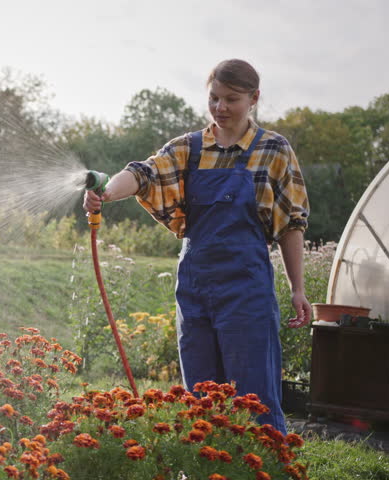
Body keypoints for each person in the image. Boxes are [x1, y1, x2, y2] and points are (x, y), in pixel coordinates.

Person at [83, 59, 311, 434]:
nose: (220, 108)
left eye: (231, 100)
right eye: (214, 98)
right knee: (201, 397)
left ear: (253, 98)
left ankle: (263, 470)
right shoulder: (189, 148)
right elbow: (144, 173)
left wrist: (297, 288)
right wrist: (106, 193)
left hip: (247, 290)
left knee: (254, 398)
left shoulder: (274, 150)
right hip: (196, 289)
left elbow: (291, 222)